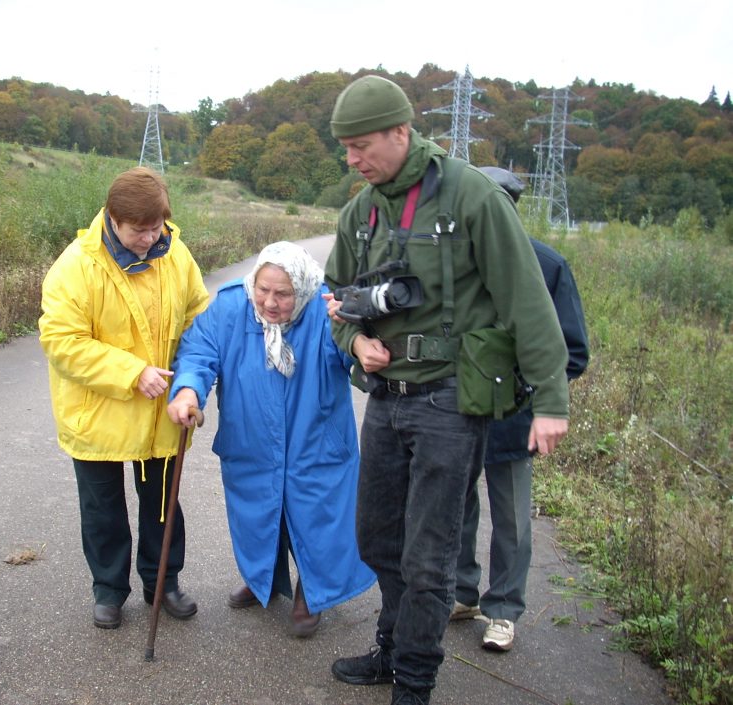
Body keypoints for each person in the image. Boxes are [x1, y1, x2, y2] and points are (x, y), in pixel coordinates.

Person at [323, 75, 570, 705]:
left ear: (401, 131)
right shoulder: (363, 210)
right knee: (377, 537)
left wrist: (549, 400)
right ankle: (391, 645)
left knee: (429, 552)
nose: (352, 160)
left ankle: (415, 677)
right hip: (386, 398)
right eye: (345, 148)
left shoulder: (471, 196)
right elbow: (334, 302)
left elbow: (526, 298)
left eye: (361, 146)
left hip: (452, 402)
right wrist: (355, 343)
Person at [166, 241, 376, 638]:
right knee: (259, 513)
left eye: (282, 293)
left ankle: (311, 592)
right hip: (252, 439)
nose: (269, 302)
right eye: (263, 289)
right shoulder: (232, 307)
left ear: (303, 289)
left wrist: (364, 348)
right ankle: (262, 578)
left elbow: (355, 351)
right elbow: (198, 352)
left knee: (317, 519)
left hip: (316, 440)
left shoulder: (325, 309)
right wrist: (188, 390)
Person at [38, 166, 209, 631]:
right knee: (102, 507)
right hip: (97, 413)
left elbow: (200, 318)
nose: (150, 239)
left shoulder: (175, 253)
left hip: (162, 412)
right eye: (139, 230)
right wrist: (131, 373)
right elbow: (62, 342)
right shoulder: (75, 265)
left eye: (157, 228)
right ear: (113, 218)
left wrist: (193, 380)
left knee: (162, 504)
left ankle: (163, 583)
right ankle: (109, 590)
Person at [451, 166, 589, 651]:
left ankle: (504, 610)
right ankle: (461, 592)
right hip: (456, 414)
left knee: (510, 519)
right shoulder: (455, 264)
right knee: (457, 506)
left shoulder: (547, 265)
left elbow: (571, 353)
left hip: (513, 419)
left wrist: (522, 392)